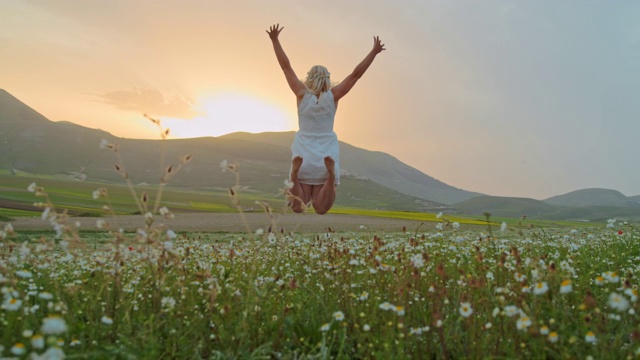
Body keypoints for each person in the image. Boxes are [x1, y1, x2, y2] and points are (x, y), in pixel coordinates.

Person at [267, 23, 385, 214]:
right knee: (321, 209)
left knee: (298, 207)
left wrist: (275, 40)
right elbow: (355, 75)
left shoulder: (301, 94)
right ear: (328, 79)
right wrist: (374, 52)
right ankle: (330, 176)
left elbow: (285, 67)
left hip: (303, 151)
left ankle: (295, 175)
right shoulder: (333, 96)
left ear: (309, 78)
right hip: (326, 152)